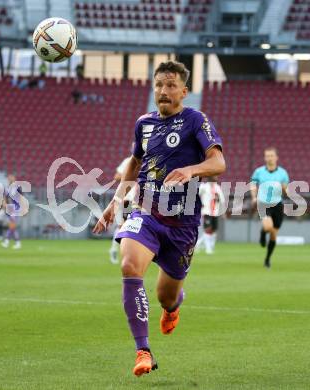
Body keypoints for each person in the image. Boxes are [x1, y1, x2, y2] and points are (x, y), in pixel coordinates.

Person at [93, 61, 225, 376]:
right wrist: (116, 199)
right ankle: (143, 351)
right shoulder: (144, 123)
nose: (163, 91)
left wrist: (191, 170)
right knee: (128, 265)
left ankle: (172, 307)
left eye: (170, 85)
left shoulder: (196, 120)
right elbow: (135, 163)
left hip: (183, 225)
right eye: (159, 85)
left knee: (166, 296)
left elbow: (219, 161)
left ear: (184, 91)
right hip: (146, 212)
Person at [250, 147, 290, 268]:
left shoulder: (283, 173)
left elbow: (285, 188)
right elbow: (253, 185)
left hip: (278, 205)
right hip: (263, 203)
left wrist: (287, 191)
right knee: (268, 226)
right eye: (267, 156)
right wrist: (254, 197)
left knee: (273, 235)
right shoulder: (259, 171)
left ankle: (267, 259)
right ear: (264, 157)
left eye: (271, 155)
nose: (269, 158)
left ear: (276, 157)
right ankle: (263, 233)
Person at [109, 148, 137, 264]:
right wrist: (131, 175)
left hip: (142, 199)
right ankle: (114, 249)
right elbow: (116, 176)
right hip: (128, 198)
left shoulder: (149, 161)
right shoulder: (128, 161)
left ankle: (133, 253)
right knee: (123, 226)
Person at [195, 176, 225, 254]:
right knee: (208, 229)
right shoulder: (204, 187)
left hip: (215, 212)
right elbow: (197, 196)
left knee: (213, 230)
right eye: (214, 176)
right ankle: (208, 249)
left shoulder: (218, 187)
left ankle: (199, 243)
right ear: (210, 177)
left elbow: (222, 200)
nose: (216, 177)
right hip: (206, 211)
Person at [1, 174, 22, 249]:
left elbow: (20, 197)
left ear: (14, 178)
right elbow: (4, 197)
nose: (10, 179)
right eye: (9, 178)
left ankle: (7, 241)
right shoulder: (7, 188)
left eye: (11, 178)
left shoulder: (17, 187)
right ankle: (17, 242)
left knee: (12, 225)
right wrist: (4, 204)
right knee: (12, 226)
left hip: (15, 208)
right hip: (9, 208)